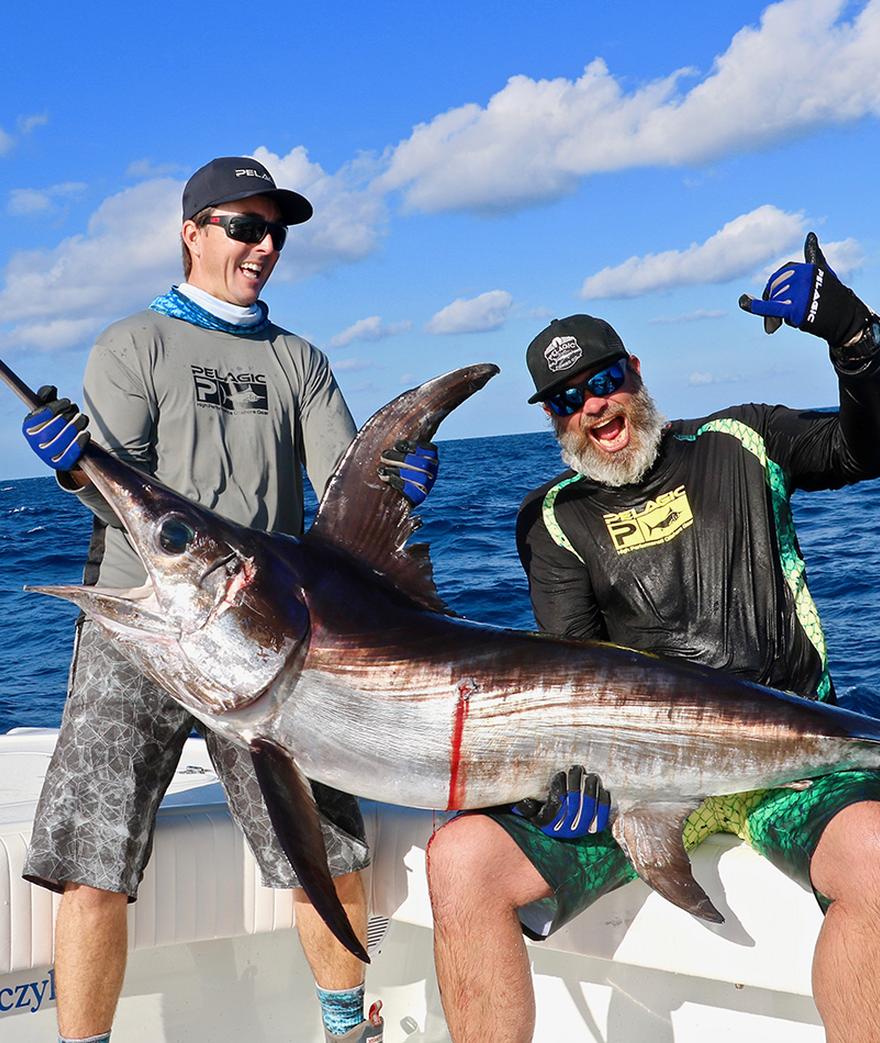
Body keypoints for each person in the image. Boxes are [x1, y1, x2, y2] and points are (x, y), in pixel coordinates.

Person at [19, 155, 439, 1043]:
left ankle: (344, 1029)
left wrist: (398, 479)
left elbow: (341, 483)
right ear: (192, 232)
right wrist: (70, 463)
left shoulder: (300, 360)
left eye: (275, 230)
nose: (264, 245)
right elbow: (117, 492)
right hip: (141, 627)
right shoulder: (133, 343)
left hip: (265, 636)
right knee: (92, 859)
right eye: (244, 226)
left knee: (324, 846)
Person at [425, 232, 880, 1043]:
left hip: (786, 762)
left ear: (635, 371)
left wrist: (856, 342)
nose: (594, 407)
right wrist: (558, 780)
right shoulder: (555, 519)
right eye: (568, 399)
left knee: (878, 854)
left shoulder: (745, 440)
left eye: (602, 381)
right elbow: (572, 669)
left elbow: (867, 445)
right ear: (552, 420)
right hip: (638, 774)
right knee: (459, 859)